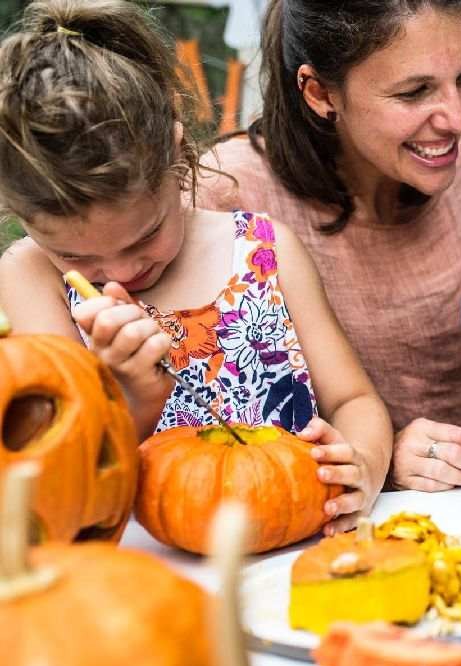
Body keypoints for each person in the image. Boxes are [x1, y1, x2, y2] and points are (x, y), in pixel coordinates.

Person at [0, 0, 393, 535]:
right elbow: (66, 477)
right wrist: (130, 395)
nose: (119, 273)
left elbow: (353, 400)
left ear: (179, 157)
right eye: (76, 257)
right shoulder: (30, 278)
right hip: (144, 572)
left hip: (295, 545)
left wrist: (363, 464)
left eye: (145, 235)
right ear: (21, 218)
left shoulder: (263, 251)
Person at [196, 0, 461, 493]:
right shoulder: (228, 196)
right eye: (415, 92)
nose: (457, 118)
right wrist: (376, 457)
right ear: (321, 92)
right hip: (341, 527)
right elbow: (206, 441)